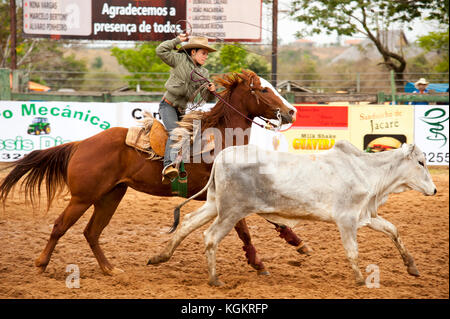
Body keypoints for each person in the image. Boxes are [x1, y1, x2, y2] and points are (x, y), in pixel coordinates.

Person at [156, 34, 217, 184]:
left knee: (194, 137)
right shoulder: (179, 59)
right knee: (177, 133)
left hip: (182, 111)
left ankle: (184, 171)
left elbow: (205, 98)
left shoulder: (204, 74)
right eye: (204, 53)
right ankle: (168, 167)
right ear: (193, 52)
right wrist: (177, 40)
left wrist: (211, 91)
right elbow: (160, 50)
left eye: (207, 54)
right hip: (167, 106)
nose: (206, 57)